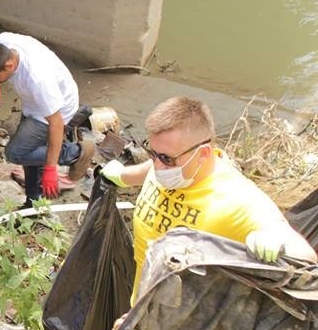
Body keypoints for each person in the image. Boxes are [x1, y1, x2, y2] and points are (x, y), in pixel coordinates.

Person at [101, 96, 317, 297]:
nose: (157, 166)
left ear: (203, 153)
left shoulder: (236, 198)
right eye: (152, 153)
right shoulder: (170, 167)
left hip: (184, 327)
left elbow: (305, 257)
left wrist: (277, 241)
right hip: (142, 301)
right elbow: (151, 168)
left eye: (166, 159)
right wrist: (122, 175)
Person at [0, 32, 95, 207]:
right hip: (35, 103)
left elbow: (56, 123)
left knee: (15, 153)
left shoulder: (38, 80)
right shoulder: (2, 42)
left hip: (57, 108)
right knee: (29, 153)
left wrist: (50, 169)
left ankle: (75, 152)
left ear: (9, 65)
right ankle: (33, 201)